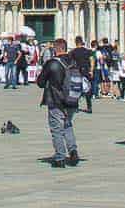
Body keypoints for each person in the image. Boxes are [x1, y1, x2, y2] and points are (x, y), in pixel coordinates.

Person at [36, 38, 80, 168]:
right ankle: (73, 151)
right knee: (68, 125)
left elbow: (40, 83)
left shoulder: (52, 63)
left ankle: (60, 158)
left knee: (57, 130)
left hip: (56, 100)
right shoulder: (73, 62)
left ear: (56, 49)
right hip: (72, 99)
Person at [69, 37, 94, 113]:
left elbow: (71, 62)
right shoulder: (87, 51)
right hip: (86, 71)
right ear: (82, 42)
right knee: (87, 89)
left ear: (75, 42)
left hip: (77, 72)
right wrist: (91, 71)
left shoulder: (73, 52)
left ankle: (76, 107)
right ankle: (89, 107)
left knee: (76, 89)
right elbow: (92, 60)